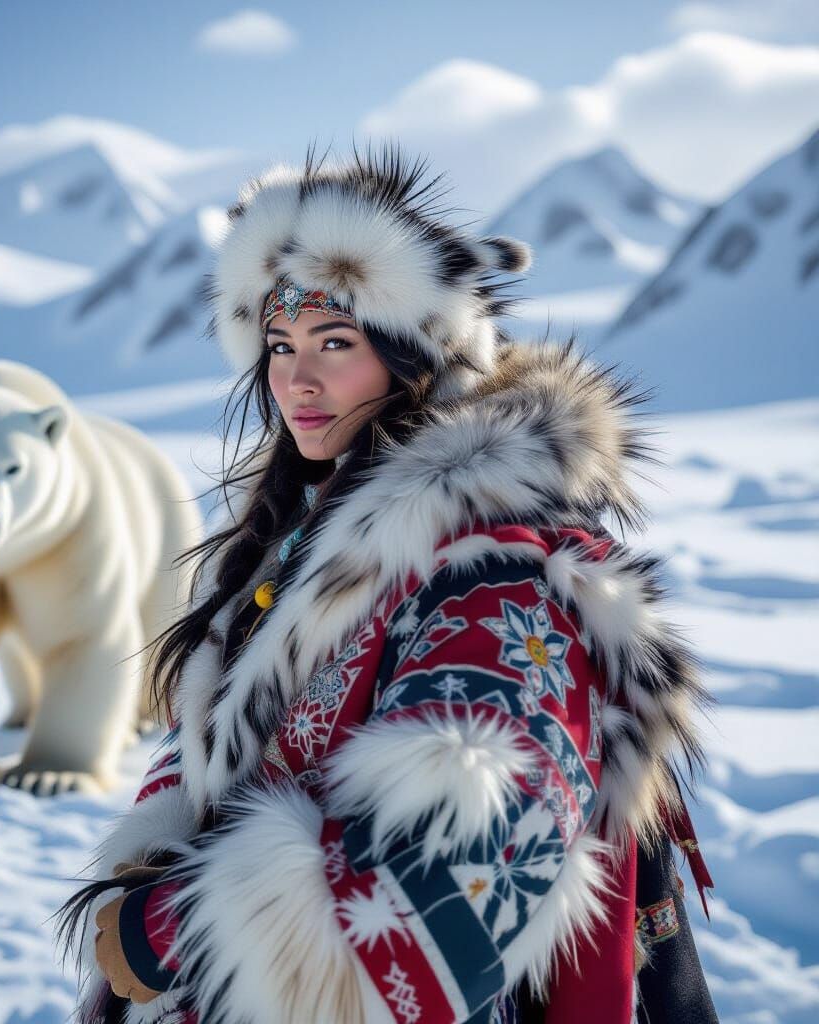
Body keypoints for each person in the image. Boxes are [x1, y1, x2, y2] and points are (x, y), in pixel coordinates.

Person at [56, 143, 719, 1024]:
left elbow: (458, 876)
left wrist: (165, 930)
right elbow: (235, 738)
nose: (296, 379)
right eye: (280, 344)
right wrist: (150, 850)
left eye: (337, 342)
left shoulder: (498, 576)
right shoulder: (305, 535)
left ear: (420, 358)